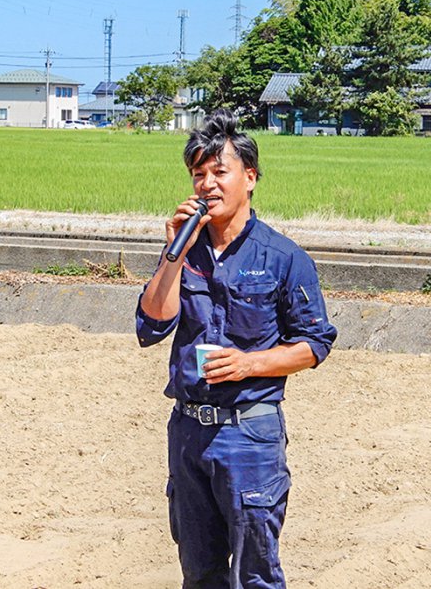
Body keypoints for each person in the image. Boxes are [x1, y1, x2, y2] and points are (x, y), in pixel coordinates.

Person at [135, 109, 337, 588]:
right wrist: (173, 256)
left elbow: (314, 344)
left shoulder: (283, 257)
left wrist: (251, 364)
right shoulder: (184, 252)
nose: (207, 184)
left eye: (219, 171)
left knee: (255, 574)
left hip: (250, 435)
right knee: (200, 572)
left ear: (250, 177)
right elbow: (151, 326)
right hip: (188, 432)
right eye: (198, 174)